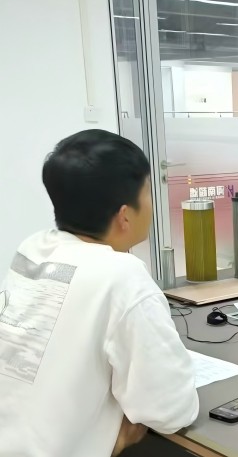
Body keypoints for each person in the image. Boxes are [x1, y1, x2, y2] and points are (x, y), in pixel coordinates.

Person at [0, 130, 199, 456]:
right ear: (125, 215)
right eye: (148, 191)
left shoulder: (33, 249)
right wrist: (118, 436)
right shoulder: (121, 277)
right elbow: (171, 411)